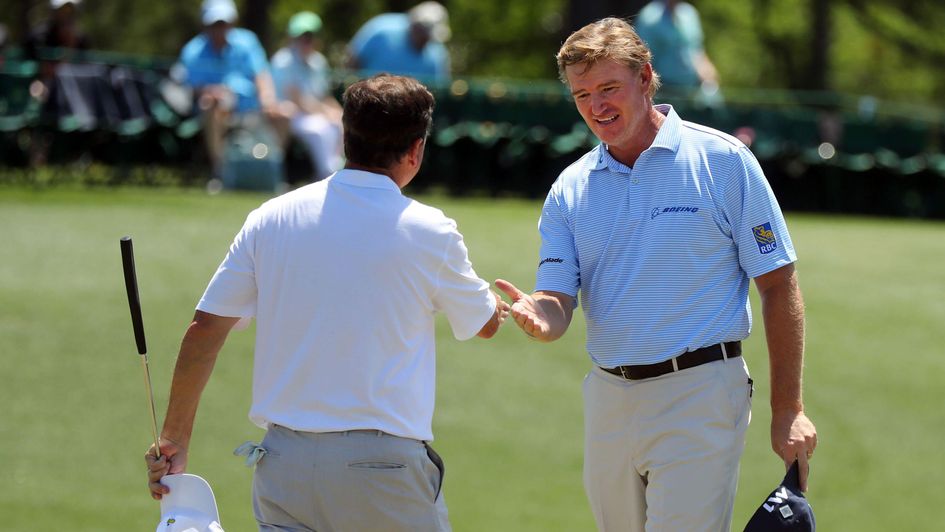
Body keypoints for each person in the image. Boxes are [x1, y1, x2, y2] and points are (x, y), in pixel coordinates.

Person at [145, 74, 511, 532]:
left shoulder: (271, 217)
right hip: (384, 472)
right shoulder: (431, 230)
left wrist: (173, 437)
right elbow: (484, 323)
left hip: (284, 466)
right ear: (416, 149)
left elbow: (206, 328)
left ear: (344, 137)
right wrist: (503, 308)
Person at [495, 17, 817, 531]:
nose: (596, 107)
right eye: (582, 95)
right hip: (608, 399)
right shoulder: (570, 188)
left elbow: (779, 285)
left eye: (608, 88)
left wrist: (788, 408)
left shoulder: (724, 161)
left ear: (645, 79)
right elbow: (558, 300)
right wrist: (541, 316)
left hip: (700, 392)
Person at [178, 0, 284, 177]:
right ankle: (221, 173)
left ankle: (270, 172)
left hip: (253, 108)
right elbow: (192, 87)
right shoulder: (193, 51)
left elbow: (261, 75)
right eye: (216, 24)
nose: (221, 29)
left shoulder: (247, 41)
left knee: (284, 114)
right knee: (212, 106)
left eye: (224, 23)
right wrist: (212, 93)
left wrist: (268, 100)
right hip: (217, 109)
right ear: (205, 24)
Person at [270, 11, 344, 181]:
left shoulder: (319, 61)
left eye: (310, 37)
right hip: (291, 113)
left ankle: (336, 171)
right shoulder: (283, 61)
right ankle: (328, 175)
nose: (306, 42)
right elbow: (295, 98)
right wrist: (325, 112)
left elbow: (323, 95)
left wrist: (337, 112)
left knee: (339, 124)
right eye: (302, 37)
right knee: (319, 130)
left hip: (313, 112)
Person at [346, 1, 451, 83]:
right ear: (414, 25)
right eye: (422, 32)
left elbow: (439, 86)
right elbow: (353, 62)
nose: (424, 40)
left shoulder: (437, 52)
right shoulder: (381, 29)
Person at [633, 0, 718, 94]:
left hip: (690, 87)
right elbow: (642, 58)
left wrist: (707, 74)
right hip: (663, 90)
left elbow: (696, 50)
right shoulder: (649, 17)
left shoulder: (690, 13)